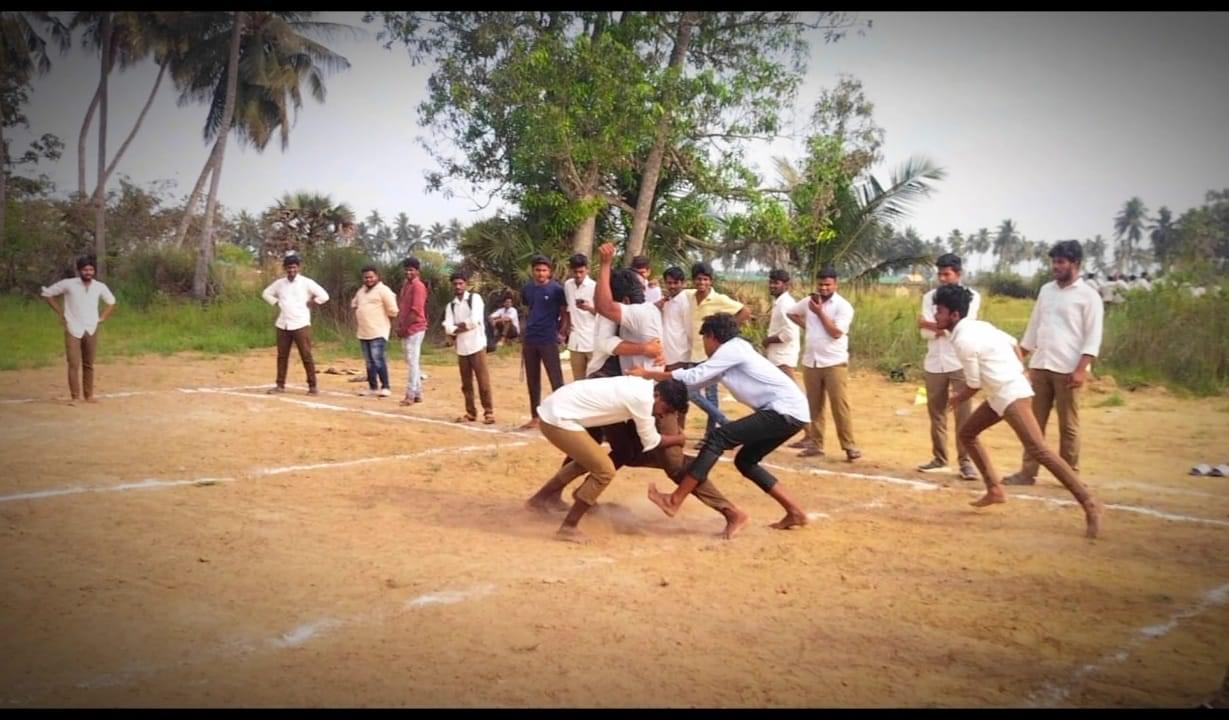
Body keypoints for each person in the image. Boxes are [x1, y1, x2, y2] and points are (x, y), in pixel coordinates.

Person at [933, 284, 1101, 538]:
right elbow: (1014, 344)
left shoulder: (964, 340)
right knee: (967, 434)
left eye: (940, 311)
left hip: (1010, 394)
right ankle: (994, 489)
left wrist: (958, 398)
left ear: (954, 315)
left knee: (1039, 449)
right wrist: (1016, 371)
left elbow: (974, 384)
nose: (936, 315)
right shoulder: (980, 326)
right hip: (1002, 392)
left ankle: (1088, 502)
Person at [630, 313, 812, 530]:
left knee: (718, 437)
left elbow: (694, 376)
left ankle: (674, 500)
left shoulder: (733, 349)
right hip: (792, 413)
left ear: (712, 336)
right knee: (746, 461)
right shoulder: (729, 356)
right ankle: (795, 512)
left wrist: (649, 374)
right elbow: (694, 383)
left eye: (704, 339)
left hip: (783, 411)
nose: (705, 345)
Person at [1003, 240, 1104, 487]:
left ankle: (1069, 475)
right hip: (1041, 365)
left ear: (1075, 264)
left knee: (1068, 425)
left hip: (1068, 369)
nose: (1055, 267)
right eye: (1053, 262)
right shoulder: (1046, 290)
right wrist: (1021, 356)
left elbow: (1093, 336)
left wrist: (1081, 369)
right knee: (1033, 424)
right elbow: (1035, 326)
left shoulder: (1088, 296)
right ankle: (1028, 473)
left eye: (1061, 262)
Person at [786, 266, 861, 461]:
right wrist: (808, 326)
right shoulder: (809, 301)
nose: (824, 288)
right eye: (821, 284)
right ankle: (816, 444)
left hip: (834, 362)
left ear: (836, 284)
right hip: (811, 361)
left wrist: (819, 313)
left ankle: (849, 446)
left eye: (828, 285)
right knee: (814, 406)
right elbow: (791, 313)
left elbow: (836, 332)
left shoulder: (843, 306)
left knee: (839, 405)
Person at [916, 253, 981, 479]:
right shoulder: (930, 297)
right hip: (934, 362)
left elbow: (963, 328)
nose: (943, 278)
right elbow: (925, 333)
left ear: (958, 274)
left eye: (947, 274)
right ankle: (939, 458)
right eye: (940, 274)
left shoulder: (971, 296)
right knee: (936, 413)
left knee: (963, 415)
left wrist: (932, 326)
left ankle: (966, 462)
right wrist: (938, 328)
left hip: (960, 361)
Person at [682, 262, 749, 435]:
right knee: (690, 392)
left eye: (705, 279)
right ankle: (723, 421)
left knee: (710, 395)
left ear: (711, 281)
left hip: (711, 353)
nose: (702, 283)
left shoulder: (719, 299)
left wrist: (725, 333)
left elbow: (745, 311)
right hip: (691, 352)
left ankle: (711, 433)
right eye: (698, 279)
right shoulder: (688, 296)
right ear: (693, 280)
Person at [41, 255, 116, 404]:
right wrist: (61, 313)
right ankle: (75, 396)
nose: (88, 272)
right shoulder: (69, 284)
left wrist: (102, 318)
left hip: (91, 328)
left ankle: (89, 396)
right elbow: (47, 294)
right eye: (85, 269)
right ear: (79, 270)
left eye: (91, 269)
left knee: (89, 364)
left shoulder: (99, 286)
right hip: (73, 327)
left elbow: (111, 302)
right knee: (73, 363)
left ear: (94, 271)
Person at [261, 255, 329, 395]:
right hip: (283, 324)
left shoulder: (306, 282)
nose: (291, 270)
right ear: (285, 268)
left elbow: (324, 295)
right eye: (289, 267)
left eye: (294, 267)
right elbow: (266, 293)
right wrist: (276, 302)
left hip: (301, 323)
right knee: (282, 356)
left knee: (306, 355)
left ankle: (312, 386)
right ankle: (280, 385)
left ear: (298, 267)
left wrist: (313, 302)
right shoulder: (280, 283)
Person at [519, 255, 567, 429]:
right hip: (530, 338)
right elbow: (527, 309)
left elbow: (564, 312)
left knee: (556, 379)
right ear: (532, 271)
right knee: (533, 379)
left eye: (544, 270)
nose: (541, 273)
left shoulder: (557, 290)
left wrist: (562, 331)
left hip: (548, 338)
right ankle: (535, 416)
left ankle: (562, 416)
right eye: (537, 270)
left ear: (550, 271)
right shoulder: (527, 289)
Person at [443, 271, 495, 424]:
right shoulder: (451, 305)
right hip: (461, 348)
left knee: (483, 381)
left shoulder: (475, 298)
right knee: (466, 383)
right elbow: (447, 326)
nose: (458, 286)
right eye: (455, 284)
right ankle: (470, 412)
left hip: (477, 344)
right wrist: (458, 328)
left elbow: (475, 320)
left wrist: (456, 328)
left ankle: (489, 412)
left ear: (465, 284)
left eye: (460, 283)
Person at [351, 265, 399, 397]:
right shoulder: (361, 291)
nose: (368, 279)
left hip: (378, 331)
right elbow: (354, 304)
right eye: (366, 277)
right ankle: (373, 387)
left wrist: (385, 324)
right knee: (369, 361)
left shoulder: (384, 290)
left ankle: (386, 386)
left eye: (371, 277)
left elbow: (393, 311)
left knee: (378, 359)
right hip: (363, 331)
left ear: (377, 276)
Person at [395, 257, 428, 405]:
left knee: (413, 361)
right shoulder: (406, 285)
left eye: (411, 270)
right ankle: (418, 393)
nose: (408, 272)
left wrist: (404, 328)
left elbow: (416, 311)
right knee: (411, 361)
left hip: (415, 327)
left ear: (417, 271)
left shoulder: (418, 286)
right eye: (407, 269)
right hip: (407, 327)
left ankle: (410, 394)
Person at [561, 253, 597, 381]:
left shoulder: (595, 286)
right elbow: (568, 308)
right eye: (575, 272)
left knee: (594, 379)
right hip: (575, 340)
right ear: (571, 270)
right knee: (578, 380)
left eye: (581, 271)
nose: (578, 275)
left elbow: (603, 313)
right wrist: (566, 327)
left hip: (592, 340)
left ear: (587, 269)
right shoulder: (568, 285)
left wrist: (589, 308)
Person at [762, 268, 800, 377]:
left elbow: (789, 334)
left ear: (786, 285)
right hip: (776, 357)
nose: (772, 286)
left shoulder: (786, 304)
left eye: (776, 283)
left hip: (783, 359)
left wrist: (768, 340)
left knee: (788, 391)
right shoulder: (779, 302)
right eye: (770, 282)